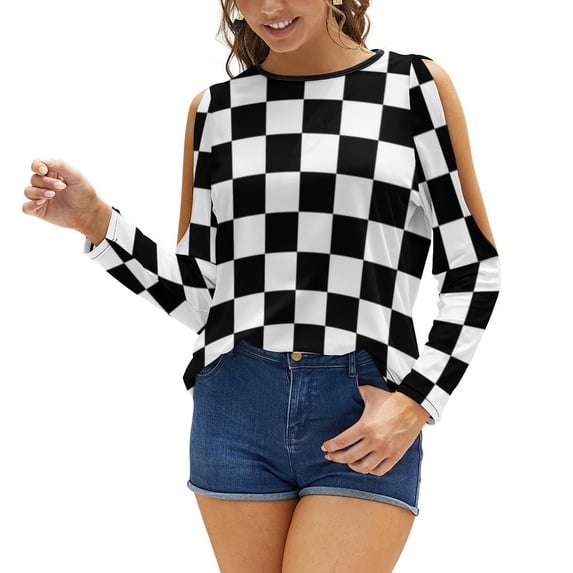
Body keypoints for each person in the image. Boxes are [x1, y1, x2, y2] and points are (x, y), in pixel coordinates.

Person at [22, 0, 501, 571]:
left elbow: (474, 267)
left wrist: (418, 401)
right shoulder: (215, 110)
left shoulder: (412, 87)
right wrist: (98, 223)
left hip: (362, 403)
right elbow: (205, 297)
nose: (270, 7)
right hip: (236, 400)